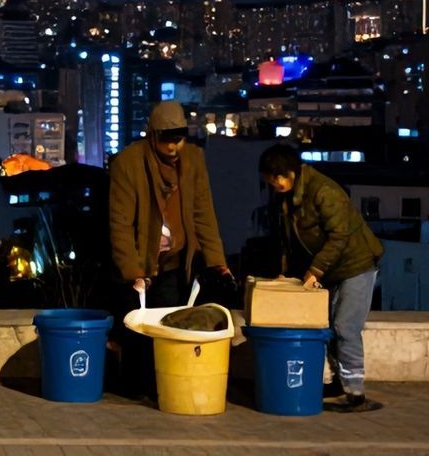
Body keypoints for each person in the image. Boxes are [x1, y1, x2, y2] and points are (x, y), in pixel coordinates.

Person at [106, 101, 231, 397]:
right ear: (153, 136)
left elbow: (203, 213)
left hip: (176, 259)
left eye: (179, 139)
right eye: (166, 140)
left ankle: (160, 385)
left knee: (169, 324)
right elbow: (120, 223)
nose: (173, 147)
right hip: (141, 258)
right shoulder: (129, 162)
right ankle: (135, 386)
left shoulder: (193, 159)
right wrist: (133, 271)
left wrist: (217, 261)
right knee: (136, 327)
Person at [259, 143, 384, 413]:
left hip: (356, 265)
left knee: (345, 327)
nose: (274, 184)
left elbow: (340, 236)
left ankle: (355, 394)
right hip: (331, 269)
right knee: (328, 328)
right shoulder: (288, 198)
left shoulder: (324, 191)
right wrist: (288, 274)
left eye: (277, 177)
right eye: (270, 180)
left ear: (290, 171)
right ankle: (340, 384)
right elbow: (291, 242)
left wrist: (315, 270)